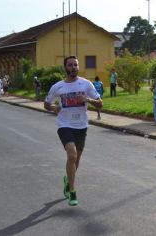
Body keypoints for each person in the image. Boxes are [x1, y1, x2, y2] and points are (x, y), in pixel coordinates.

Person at [44, 56, 102, 206]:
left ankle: (67, 182)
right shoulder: (58, 86)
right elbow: (46, 103)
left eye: (76, 65)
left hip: (81, 126)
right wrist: (53, 108)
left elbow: (100, 104)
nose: (74, 67)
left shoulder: (86, 84)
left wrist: (87, 100)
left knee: (76, 159)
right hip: (65, 125)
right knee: (72, 155)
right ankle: (72, 192)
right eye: (70, 65)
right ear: (65, 68)